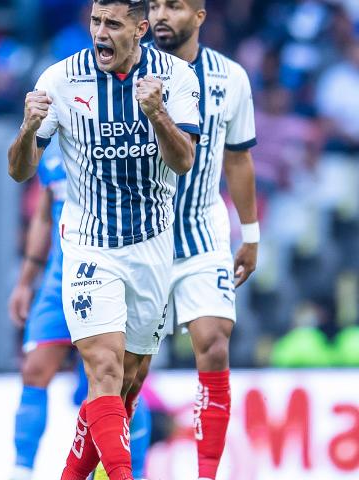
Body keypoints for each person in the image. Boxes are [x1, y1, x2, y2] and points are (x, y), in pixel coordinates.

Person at [8, 0, 200, 477]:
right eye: (95, 21)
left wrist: (157, 115)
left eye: (112, 24)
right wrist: (29, 128)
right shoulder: (59, 80)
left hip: (152, 247)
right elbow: (20, 172)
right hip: (88, 248)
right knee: (104, 371)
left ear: (140, 29)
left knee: (126, 385)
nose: (99, 33)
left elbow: (184, 162)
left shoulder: (176, 78)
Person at [132, 1, 259, 479]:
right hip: (139, 239)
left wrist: (250, 235)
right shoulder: (126, 72)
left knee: (215, 344)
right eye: (157, 5)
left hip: (203, 234)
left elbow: (239, 159)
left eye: (175, 5)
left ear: (200, 15)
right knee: (127, 373)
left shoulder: (231, 78)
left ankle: (206, 474)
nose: (163, 14)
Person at [8, 138, 151, 480]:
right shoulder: (51, 147)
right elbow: (44, 216)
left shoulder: (115, 134)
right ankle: (21, 470)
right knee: (35, 369)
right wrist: (26, 281)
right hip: (59, 276)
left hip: (105, 272)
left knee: (120, 380)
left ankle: (137, 470)